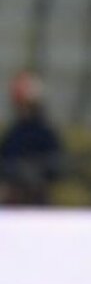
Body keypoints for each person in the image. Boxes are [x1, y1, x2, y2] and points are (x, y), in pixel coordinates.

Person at [0, 71, 64, 206]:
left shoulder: (44, 131)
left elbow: (57, 165)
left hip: (36, 198)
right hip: (14, 199)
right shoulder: (15, 132)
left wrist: (32, 170)